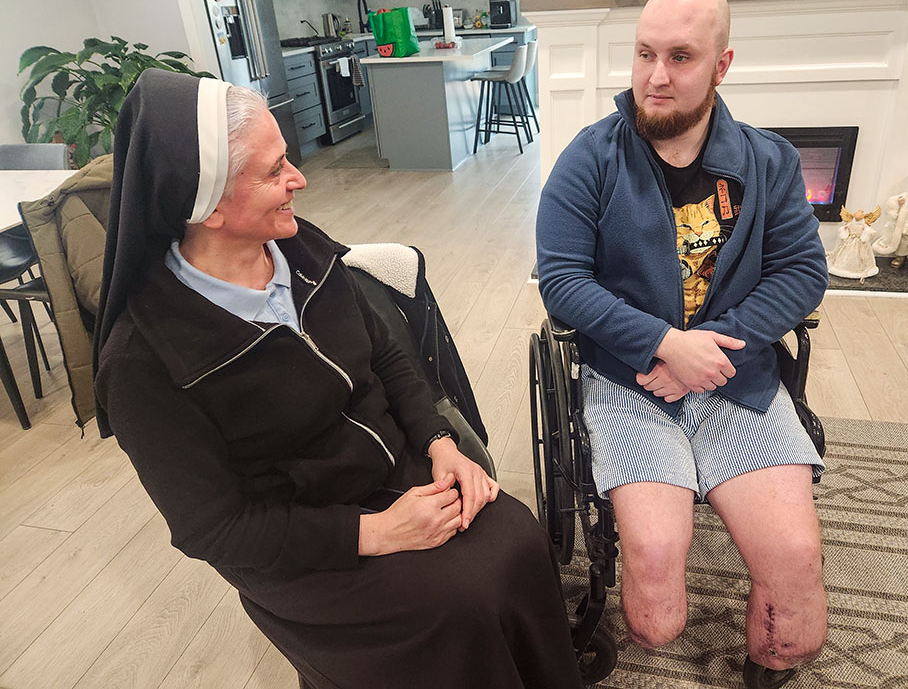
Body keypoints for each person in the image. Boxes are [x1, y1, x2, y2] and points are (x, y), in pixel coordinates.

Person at [94, 69, 581, 689]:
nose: (298, 178)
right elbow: (212, 528)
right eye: (274, 172)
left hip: (396, 470)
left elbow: (386, 356)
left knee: (517, 540)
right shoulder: (144, 361)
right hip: (303, 542)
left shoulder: (305, 252)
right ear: (207, 204)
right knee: (460, 608)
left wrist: (439, 443)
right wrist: (373, 533)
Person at [535, 0, 828, 687]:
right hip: (630, 383)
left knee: (796, 583)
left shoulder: (769, 162)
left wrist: (710, 350)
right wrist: (664, 345)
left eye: (680, 56)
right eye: (644, 54)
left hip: (739, 380)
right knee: (655, 617)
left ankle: (767, 663)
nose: (655, 77)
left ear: (721, 65)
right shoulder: (590, 158)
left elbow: (800, 273)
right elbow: (562, 281)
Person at [826, 206, 881, 280]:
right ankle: (842, 268)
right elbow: (845, 228)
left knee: (858, 255)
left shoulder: (864, 225)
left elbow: (871, 232)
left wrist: (866, 232)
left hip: (859, 242)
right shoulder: (851, 223)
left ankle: (857, 269)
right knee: (845, 254)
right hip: (850, 241)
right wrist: (844, 229)